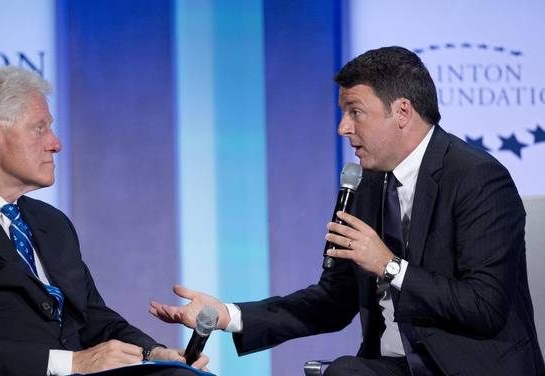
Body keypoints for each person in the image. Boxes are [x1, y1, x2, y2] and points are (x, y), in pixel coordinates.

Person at [150, 46, 545, 375]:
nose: (343, 127)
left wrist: (390, 266)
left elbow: (485, 306)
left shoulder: (478, 178)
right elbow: (333, 301)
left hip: (470, 365)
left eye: (355, 112)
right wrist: (229, 316)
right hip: (392, 365)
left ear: (402, 112)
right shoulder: (364, 184)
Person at [0, 66, 207, 376]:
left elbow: (95, 319)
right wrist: (73, 362)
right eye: (39, 128)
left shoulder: (52, 223)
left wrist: (153, 352)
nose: (55, 143)